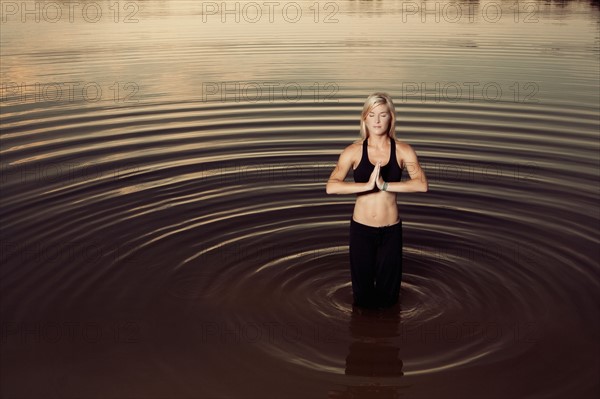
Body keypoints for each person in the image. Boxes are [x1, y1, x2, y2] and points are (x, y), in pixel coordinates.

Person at [325, 92, 428, 309]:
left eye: (383, 115)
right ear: (364, 118)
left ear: (391, 117)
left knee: (390, 298)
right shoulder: (352, 151)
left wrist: (385, 185)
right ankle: (363, 337)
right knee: (361, 298)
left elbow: (421, 184)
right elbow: (331, 186)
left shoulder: (403, 150)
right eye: (372, 115)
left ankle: (388, 337)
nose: (377, 121)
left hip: (391, 231)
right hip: (361, 229)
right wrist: (366, 186)